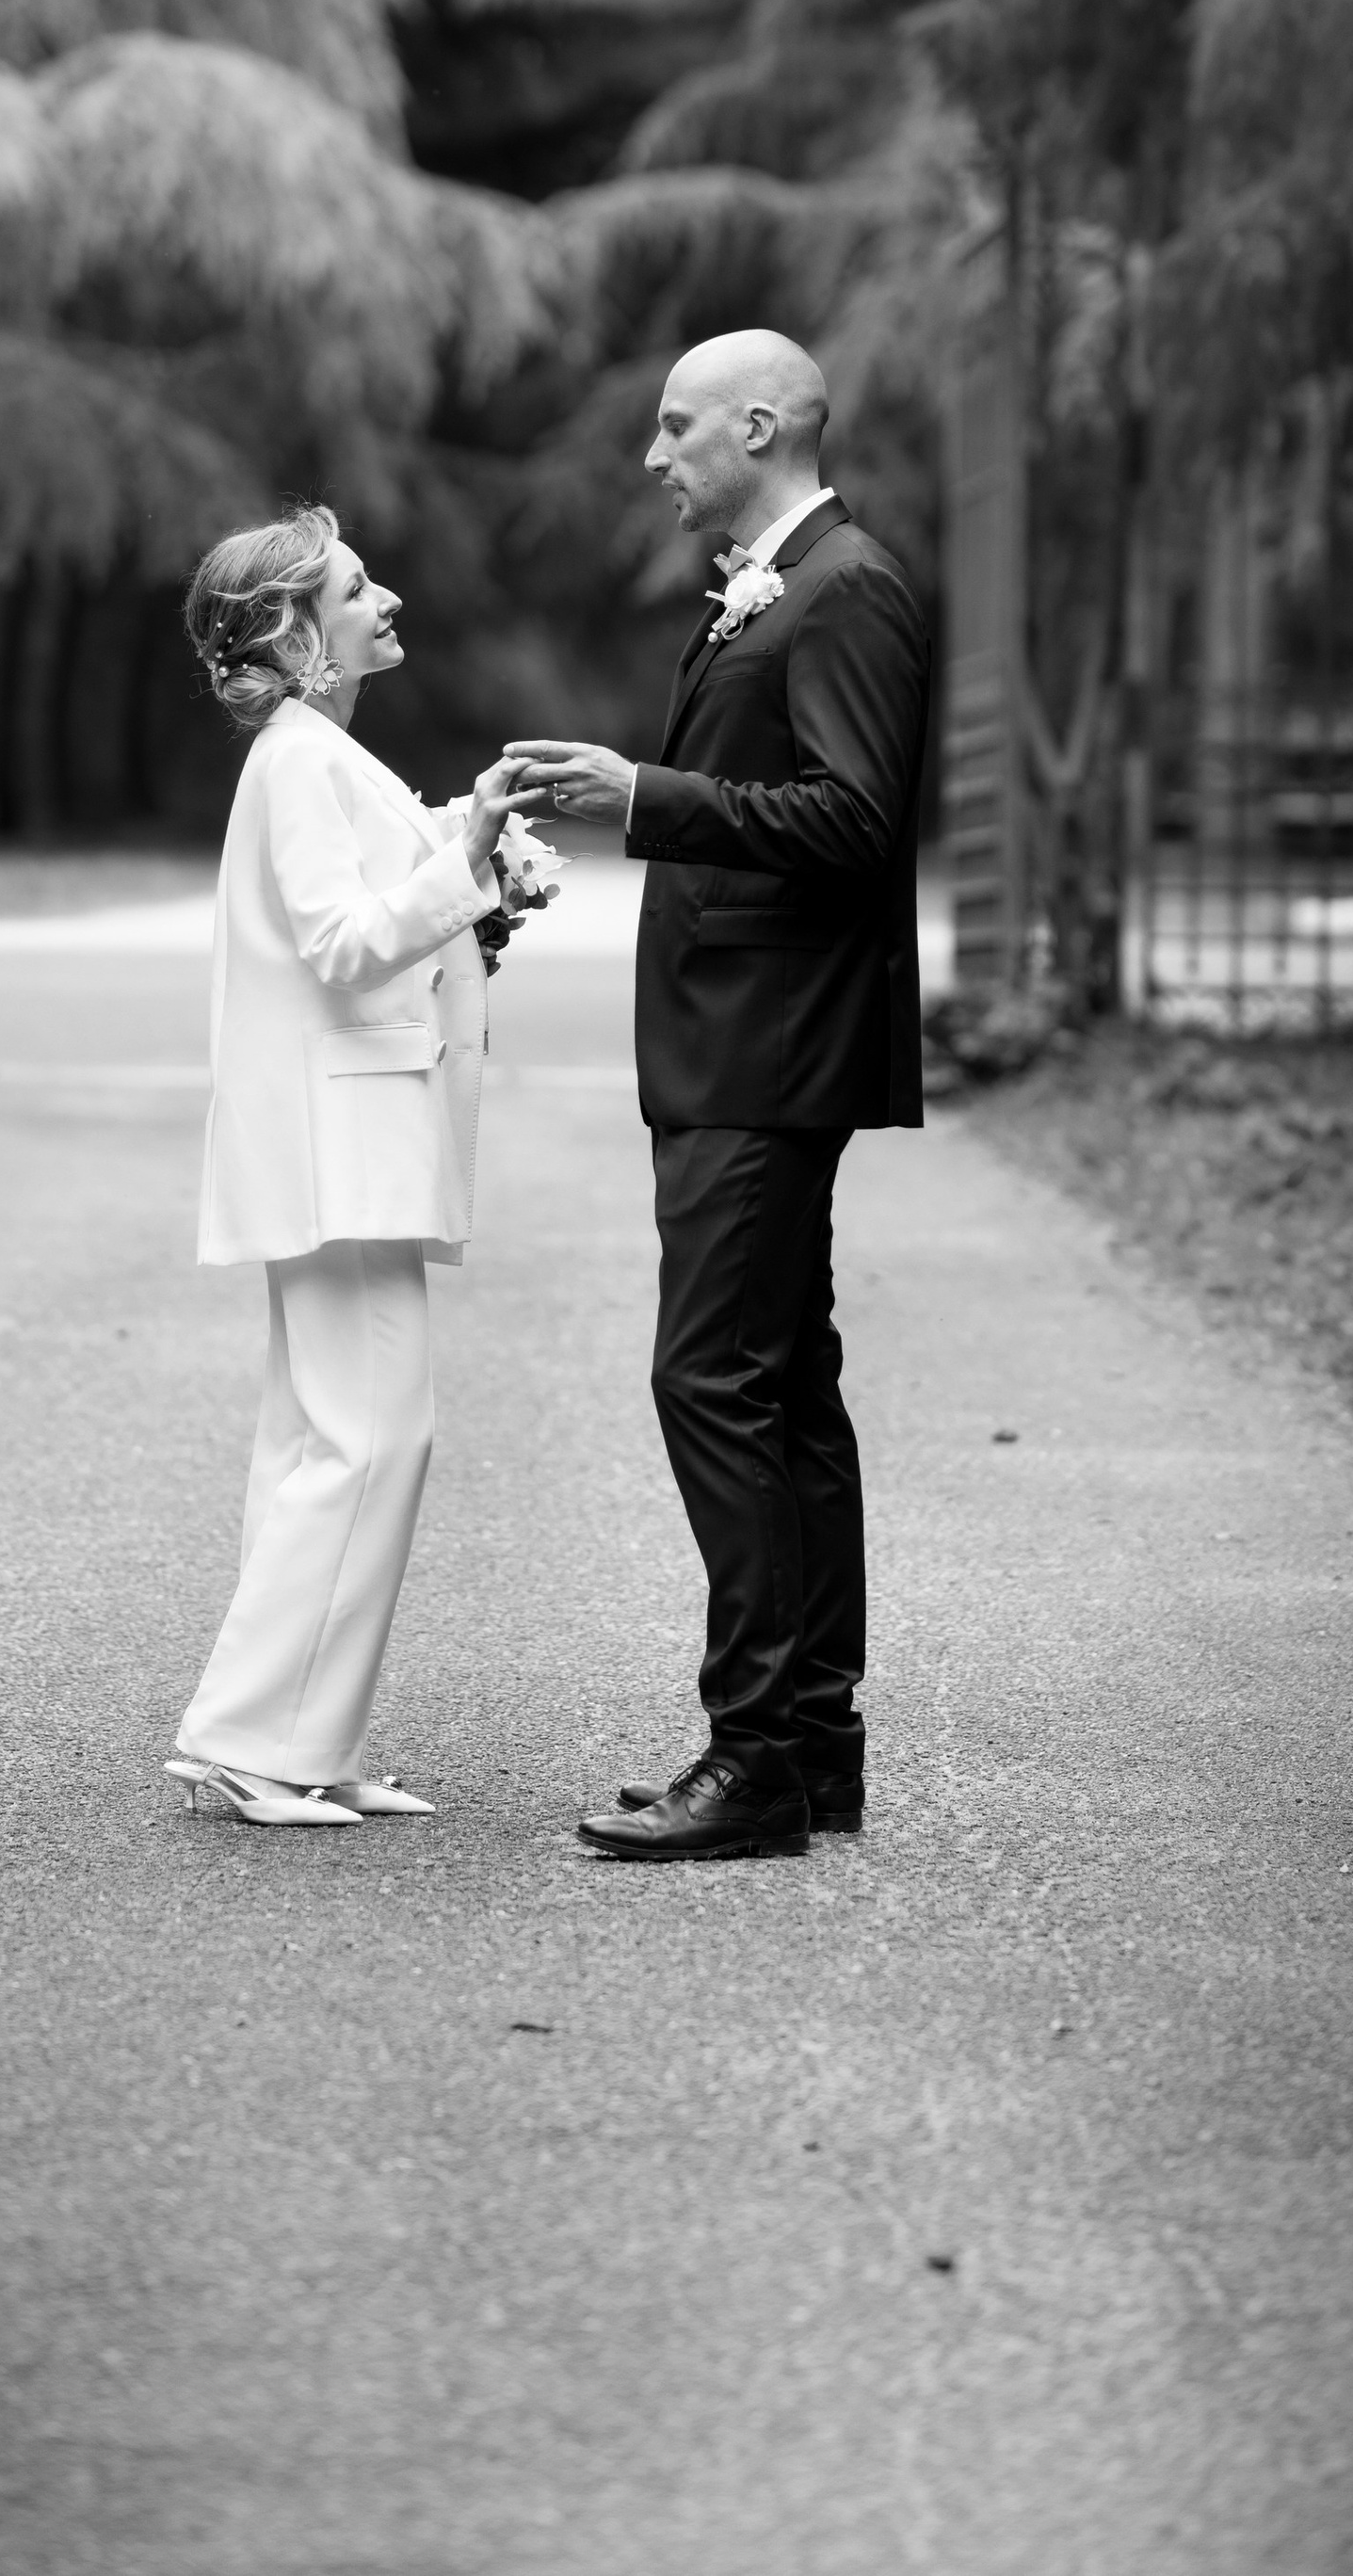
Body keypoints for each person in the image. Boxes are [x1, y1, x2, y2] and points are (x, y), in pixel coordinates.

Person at [506, 330, 930, 1862]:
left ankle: (753, 1754)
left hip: (769, 1050)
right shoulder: (789, 581)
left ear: (761, 424)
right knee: (783, 1388)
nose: (653, 454)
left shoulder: (846, 584)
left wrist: (645, 795)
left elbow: (854, 818)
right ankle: (811, 1749)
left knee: (713, 1383)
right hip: (737, 1046)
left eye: (676, 426)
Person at [167, 506, 524, 1828]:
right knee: (369, 1435)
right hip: (336, 1137)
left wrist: (464, 862)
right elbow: (336, 939)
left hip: (342, 1130)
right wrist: (470, 864)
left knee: (331, 1434)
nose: (387, 601)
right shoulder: (299, 761)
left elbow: (379, 910)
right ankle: (256, 1737)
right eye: (356, 589)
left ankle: (294, 1735)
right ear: (295, 632)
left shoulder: (314, 754)